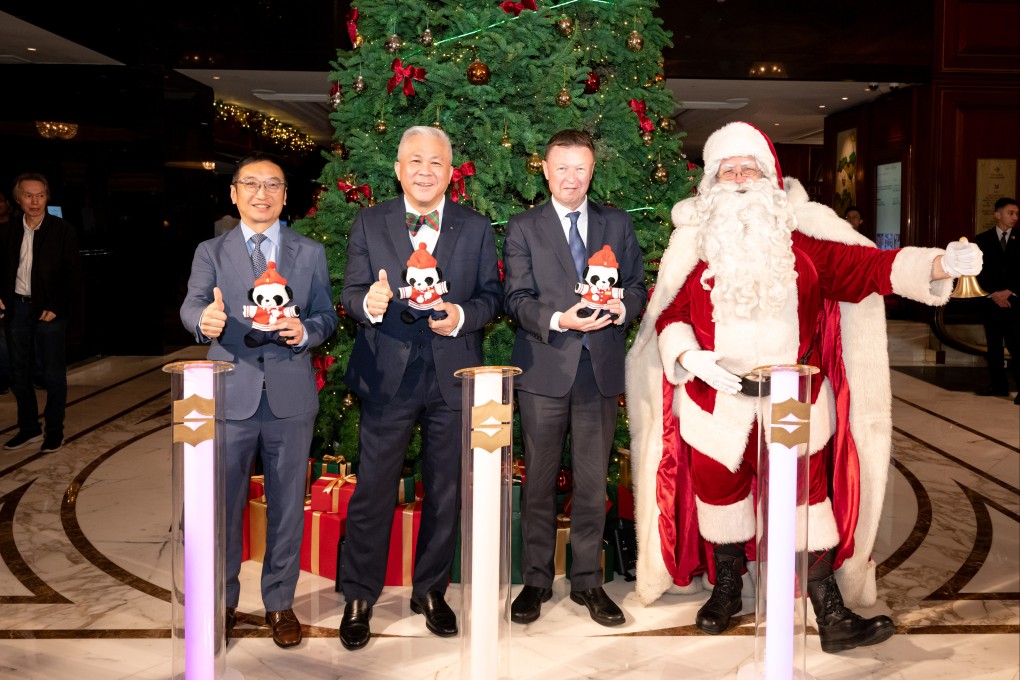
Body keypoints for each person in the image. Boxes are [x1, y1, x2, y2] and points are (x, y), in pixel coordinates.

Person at [625, 121, 982, 653]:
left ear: (770, 178)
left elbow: (872, 268)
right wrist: (690, 356)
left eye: (749, 168)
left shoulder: (805, 245)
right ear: (713, 181)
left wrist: (939, 264)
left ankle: (829, 609)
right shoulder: (695, 245)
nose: (740, 178)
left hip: (792, 401)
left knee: (806, 501)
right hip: (713, 400)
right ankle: (726, 589)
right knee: (719, 497)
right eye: (729, 169)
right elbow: (670, 311)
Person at [337, 126, 502, 650]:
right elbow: (351, 291)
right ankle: (360, 594)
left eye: (436, 162)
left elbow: (492, 297)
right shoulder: (370, 220)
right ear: (399, 168)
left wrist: (460, 315)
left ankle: (430, 590)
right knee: (373, 488)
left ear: (450, 172)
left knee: (446, 491)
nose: (425, 170)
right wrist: (370, 305)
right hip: (388, 374)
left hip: (453, 377)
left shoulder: (474, 228)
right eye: (415, 161)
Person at [180, 153, 338, 648]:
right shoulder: (211, 250)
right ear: (234, 192)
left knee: (288, 505)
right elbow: (192, 303)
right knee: (222, 507)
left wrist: (306, 331)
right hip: (230, 394)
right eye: (252, 184)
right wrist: (202, 320)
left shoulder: (309, 252)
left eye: (273, 185)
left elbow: (326, 316)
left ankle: (279, 604)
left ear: (285, 196)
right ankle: (221, 602)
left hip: (290, 396)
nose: (262, 194)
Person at [503, 129, 647, 627]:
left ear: (592, 170)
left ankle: (588, 582)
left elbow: (636, 288)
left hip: (599, 373)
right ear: (544, 169)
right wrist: (562, 319)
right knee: (539, 483)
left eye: (580, 168)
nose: (571, 178)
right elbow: (516, 299)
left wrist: (622, 307)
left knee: (591, 485)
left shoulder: (617, 224)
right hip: (545, 369)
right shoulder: (523, 227)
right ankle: (537, 581)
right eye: (561, 168)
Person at [1, 174, 80, 453]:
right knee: (19, 372)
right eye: (28, 195)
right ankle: (29, 429)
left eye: (40, 195)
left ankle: (54, 431)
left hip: (49, 311)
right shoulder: (8, 230)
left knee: (53, 374)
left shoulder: (62, 230)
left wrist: (56, 306)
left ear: (47, 197)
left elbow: (72, 275)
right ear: (18, 199)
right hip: (17, 308)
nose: (35, 202)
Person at [974, 197, 1019, 404]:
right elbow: (978, 272)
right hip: (991, 302)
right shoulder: (981, 240)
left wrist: (1009, 291)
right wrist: (994, 295)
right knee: (993, 345)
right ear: (997, 214)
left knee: (1016, 344)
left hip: (1015, 302)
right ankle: (998, 385)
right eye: (1010, 213)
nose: (1015, 217)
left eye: (1017, 214)